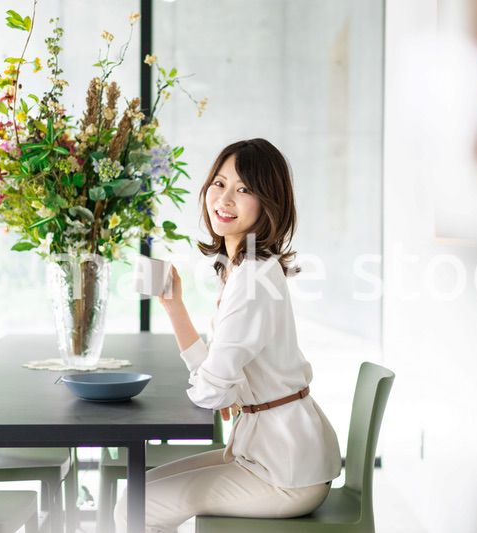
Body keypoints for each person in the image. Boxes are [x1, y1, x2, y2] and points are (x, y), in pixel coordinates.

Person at [114, 138, 342, 532]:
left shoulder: (252, 278)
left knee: (137, 507)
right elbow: (220, 384)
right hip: (269, 453)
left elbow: (213, 393)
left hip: (283, 472)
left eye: (244, 189)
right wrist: (174, 305)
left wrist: (216, 387)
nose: (225, 198)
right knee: (138, 493)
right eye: (219, 184)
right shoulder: (245, 268)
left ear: (270, 203)